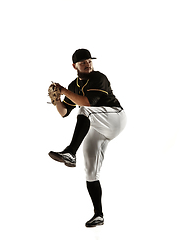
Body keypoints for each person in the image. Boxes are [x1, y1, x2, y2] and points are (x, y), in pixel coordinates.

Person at [48, 49, 127, 227]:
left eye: (89, 60)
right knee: (91, 170)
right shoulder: (74, 85)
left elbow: (87, 103)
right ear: (74, 66)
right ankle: (98, 215)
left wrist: (63, 90)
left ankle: (70, 152)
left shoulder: (99, 77)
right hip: (98, 125)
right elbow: (64, 112)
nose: (87, 64)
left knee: (85, 110)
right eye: (83, 62)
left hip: (115, 117)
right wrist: (56, 100)